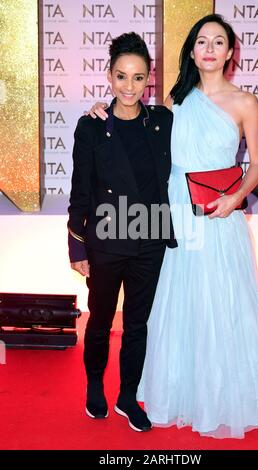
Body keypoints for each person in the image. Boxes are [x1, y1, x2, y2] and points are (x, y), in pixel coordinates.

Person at [89, 14, 258, 439]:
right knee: (172, 303)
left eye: (218, 42)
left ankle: (216, 396)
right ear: (192, 50)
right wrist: (99, 110)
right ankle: (171, 391)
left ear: (231, 51)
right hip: (173, 211)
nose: (209, 48)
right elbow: (130, 120)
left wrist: (236, 199)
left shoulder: (246, 102)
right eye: (201, 41)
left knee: (219, 303)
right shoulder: (176, 100)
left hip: (220, 212)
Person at [67, 32, 176, 432]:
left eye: (138, 78)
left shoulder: (162, 121)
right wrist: (75, 247)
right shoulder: (91, 126)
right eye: (121, 77)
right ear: (109, 77)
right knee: (98, 319)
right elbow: (80, 193)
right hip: (107, 239)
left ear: (149, 80)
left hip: (149, 240)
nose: (128, 87)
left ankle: (128, 396)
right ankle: (95, 385)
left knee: (137, 322)